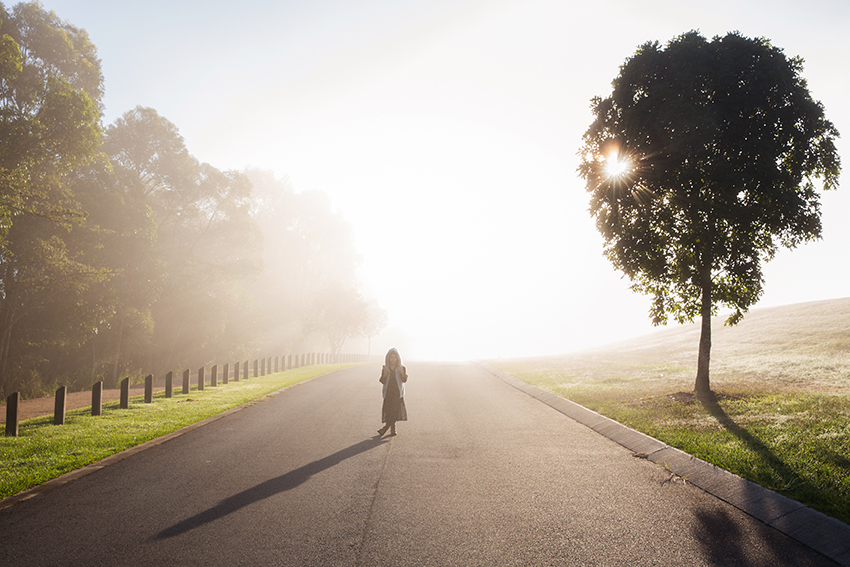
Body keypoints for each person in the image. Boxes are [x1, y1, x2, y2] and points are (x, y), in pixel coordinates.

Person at [377, 347, 408, 436]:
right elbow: (382, 381)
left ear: (398, 358)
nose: (393, 360)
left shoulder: (401, 368)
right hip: (388, 392)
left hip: (397, 393)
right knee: (389, 411)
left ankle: (385, 428)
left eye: (395, 357)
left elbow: (404, 380)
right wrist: (385, 374)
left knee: (395, 411)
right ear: (388, 358)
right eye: (391, 357)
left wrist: (402, 373)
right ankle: (393, 428)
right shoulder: (385, 368)